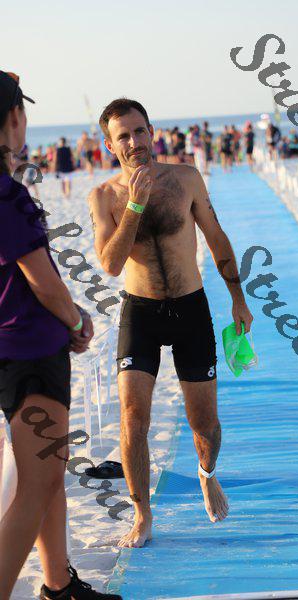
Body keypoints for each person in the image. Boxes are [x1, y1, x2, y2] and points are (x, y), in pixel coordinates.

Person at [88, 98, 253, 549]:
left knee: (205, 424)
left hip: (189, 308)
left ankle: (206, 473)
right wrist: (135, 206)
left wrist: (238, 299)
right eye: (123, 136)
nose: (134, 141)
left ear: (152, 131)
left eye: (140, 130)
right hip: (140, 312)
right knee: (132, 417)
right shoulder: (104, 196)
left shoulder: (186, 179)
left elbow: (217, 238)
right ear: (109, 145)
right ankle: (142, 513)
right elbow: (110, 264)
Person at [0, 71, 121, 600]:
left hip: (17, 345)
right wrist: (74, 320)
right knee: (38, 484)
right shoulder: (8, 195)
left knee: (48, 475)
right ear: (14, 119)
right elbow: (41, 280)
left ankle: (58, 583)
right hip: (29, 349)